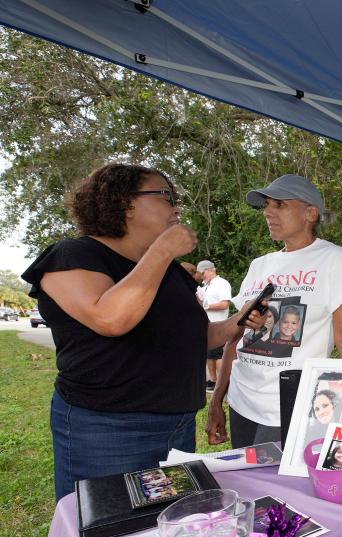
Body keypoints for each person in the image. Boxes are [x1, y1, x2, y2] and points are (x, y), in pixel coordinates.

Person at [20, 163, 265, 500]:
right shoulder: (74, 254)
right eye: (166, 195)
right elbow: (110, 319)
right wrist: (163, 250)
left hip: (177, 426)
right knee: (109, 527)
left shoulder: (169, 272)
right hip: (108, 430)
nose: (176, 207)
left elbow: (199, 337)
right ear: (125, 203)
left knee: (165, 526)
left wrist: (240, 320)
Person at [206, 174, 342, 449]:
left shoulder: (333, 258)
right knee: (249, 487)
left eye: (279, 205)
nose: (267, 212)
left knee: (279, 489)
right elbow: (235, 340)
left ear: (310, 213)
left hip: (291, 405)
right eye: (267, 205)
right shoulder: (258, 266)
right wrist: (217, 402)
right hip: (242, 401)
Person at [196, 259, 233, 390]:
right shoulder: (204, 285)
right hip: (205, 325)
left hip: (218, 324)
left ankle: (223, 382)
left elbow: (224, 304)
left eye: (203, 272)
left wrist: (206, 307)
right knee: (208, 354)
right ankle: (213, 380)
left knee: (217, 354)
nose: (201, 276)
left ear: (211, 270)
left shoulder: (222, 283)